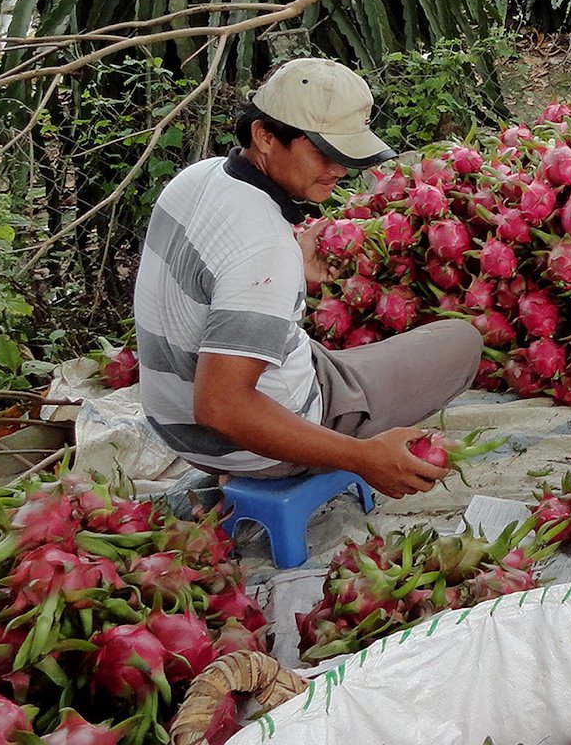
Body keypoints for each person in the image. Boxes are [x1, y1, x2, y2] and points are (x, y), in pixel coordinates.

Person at [134, 59, 481, 497]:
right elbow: (220, 407)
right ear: (264, 135)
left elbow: (211, 281)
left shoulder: (196, 178)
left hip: (175, 427)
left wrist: (292, 271)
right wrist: (365, 457)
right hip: (251, 445)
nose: (339, 170)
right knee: (460, 340)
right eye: (324, 152)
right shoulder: (263, 249)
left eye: (346, 155)